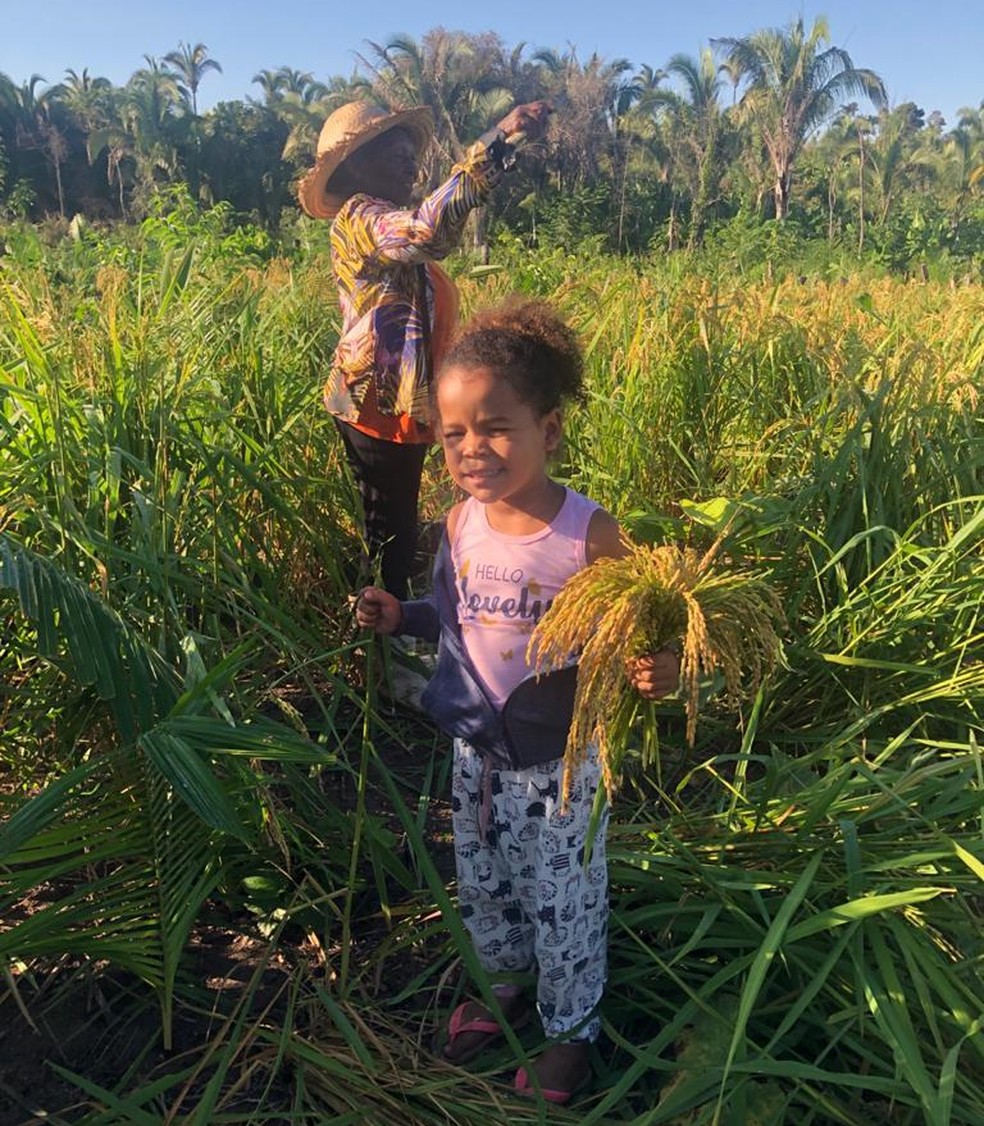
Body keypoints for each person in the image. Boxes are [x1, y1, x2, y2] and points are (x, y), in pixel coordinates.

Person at [355, 299, 680, 1103]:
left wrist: (661, 666)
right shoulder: (462, 525)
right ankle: (502, 981)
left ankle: (571, 1034)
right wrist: (404, 618)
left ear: (551, 428)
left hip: (558, 762)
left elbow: (650, 629)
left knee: (563, 899)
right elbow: (456, 617)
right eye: (455, 431)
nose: (472, 449)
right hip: (476, 752)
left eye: (496, 427)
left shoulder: (588, 536)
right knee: (484, 876)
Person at [298, 98, 552, 601]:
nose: (407, 153)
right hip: (375, 401)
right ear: (354, 165)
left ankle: (391, 631)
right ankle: (377, 653)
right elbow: (427, 230)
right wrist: (496, 140)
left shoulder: (389, 229)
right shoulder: (360, 217)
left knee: (396, 528)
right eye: (389, 145)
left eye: (409, 145)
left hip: (403, 405)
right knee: (388, 537)